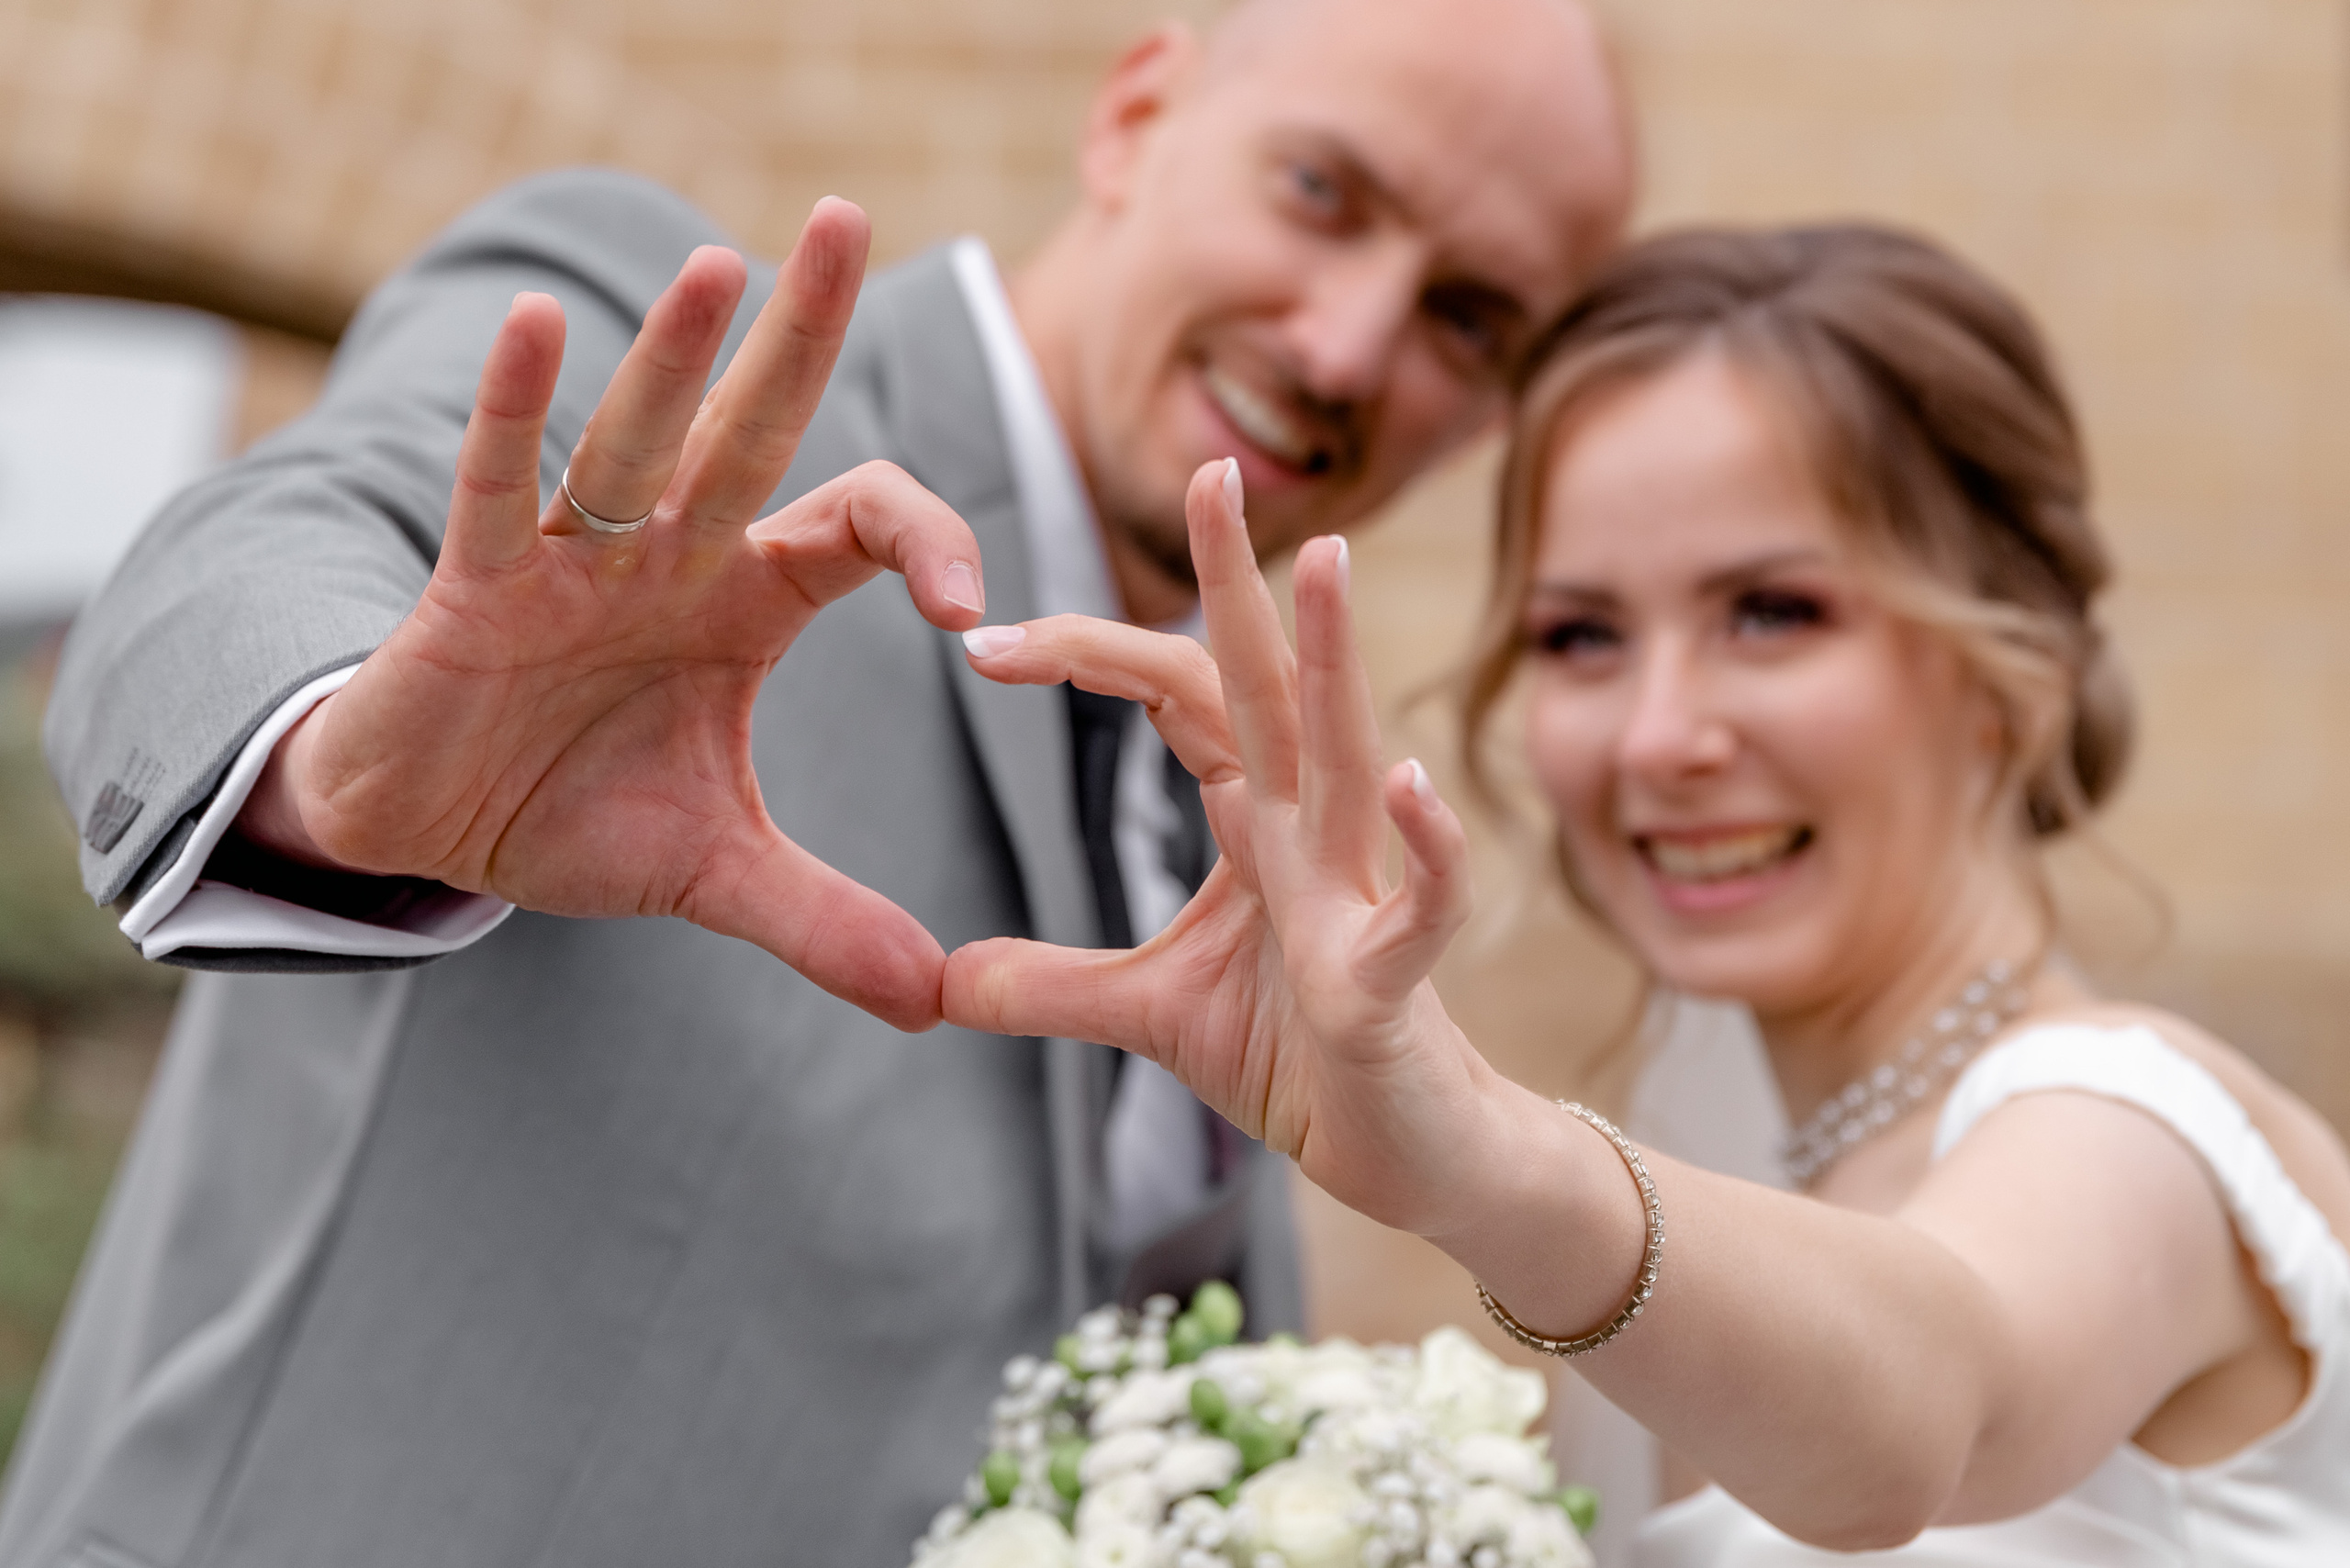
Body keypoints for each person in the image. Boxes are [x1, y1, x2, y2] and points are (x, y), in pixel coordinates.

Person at [8, 4, 1632, 1565]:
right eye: (1321, 192)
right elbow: (248, 557)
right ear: (1137, 116)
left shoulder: (1223, 807)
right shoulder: (684, 381)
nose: (1349, 342)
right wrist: (336, 764)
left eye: (1468, 316)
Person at [946, 225, 2350, 1561]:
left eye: (1773, 613)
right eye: (1582, 635)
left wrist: (1486, 1157)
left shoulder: (2130, 1130)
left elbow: (1931, 1421)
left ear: (2009, 663)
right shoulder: (1738, 1165)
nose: (1659, 737)